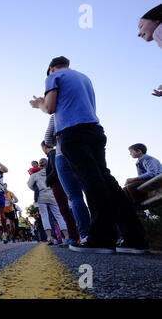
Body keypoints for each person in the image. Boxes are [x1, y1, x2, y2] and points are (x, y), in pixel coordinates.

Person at [30, 56, 148, 254]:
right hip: (94, 131)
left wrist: (39, 105)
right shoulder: (84, 78)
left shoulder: (54, 77)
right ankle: (134, 238)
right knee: (107, 182)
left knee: (91, 182)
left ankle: (101, 238)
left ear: (51, 68)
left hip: (71, 133)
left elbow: (50, 108)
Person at [45, 115, 91, 243]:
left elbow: (48, 139)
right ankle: (107, 232)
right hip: (85, 149)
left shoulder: (56, 115)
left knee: (75, 197)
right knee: (92, 191)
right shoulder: (84, 103)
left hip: (64, 151)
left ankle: (85, 234)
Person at [41, 141, 79, 245]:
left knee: (64, 210)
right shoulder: (52, 154)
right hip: (58, 183)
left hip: (57, 184)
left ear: (44, 147)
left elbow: (55, 169)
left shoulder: (52, 154)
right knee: (64, 211)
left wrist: (47, 180)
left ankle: (73, 236)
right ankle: (74, 236)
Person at [27, 158, 70, 246]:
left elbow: (30, 185)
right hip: (52, 195)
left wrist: (37, 188)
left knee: (44, 216)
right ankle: (66, 236)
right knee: (58, 215)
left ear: (39, 165)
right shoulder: (51, 172)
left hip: (41, 196)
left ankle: (49, 237)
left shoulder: (35, 174)